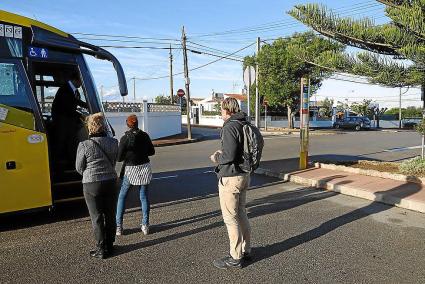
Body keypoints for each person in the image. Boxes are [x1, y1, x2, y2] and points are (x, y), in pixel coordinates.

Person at [210, 97, 252, 269]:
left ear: (227, 110)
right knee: (241, 212)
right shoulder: (244, 123)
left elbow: (229, 156)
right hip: (244, 175)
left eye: (221, 109)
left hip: (231, 177)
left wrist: (216, 157)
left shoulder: (229, 126)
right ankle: (246, 249)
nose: (221, 112)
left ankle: (235, 257)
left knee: (230, 217)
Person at [75, 113, 119, 259]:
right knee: (110, 214)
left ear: (90, 127)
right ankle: (110, 245)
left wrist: (89, 173)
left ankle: (101, 249)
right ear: (104, 126)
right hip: (111, 181)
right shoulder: (113, 142)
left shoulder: (84, 145)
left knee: (97, 217)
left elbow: (79, 168)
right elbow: (114, 161)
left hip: (91, 183)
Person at [115, 114, 155, 236]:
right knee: (143, 197)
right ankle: (145, 225)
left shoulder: (124, 138)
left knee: (122, 196)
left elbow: (119, 158)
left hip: (130, 169)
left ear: (128, 125)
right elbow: (152, 152)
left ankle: (119, 227)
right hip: (144, 168)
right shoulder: (145, 135)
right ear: (137, 123)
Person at [51, 72, 88, 171]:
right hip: (62, 121)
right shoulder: (65, 90)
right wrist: (81, 115)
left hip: (68, 120)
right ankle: (59, 167)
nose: (81, 84)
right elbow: (67, 108)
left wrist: (86, 105)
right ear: (76, 80)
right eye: (81, 82)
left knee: (70, 142)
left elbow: (75, 101)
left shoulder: (72, 90)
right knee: (63, 142)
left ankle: (71, 164)